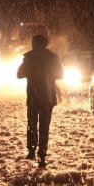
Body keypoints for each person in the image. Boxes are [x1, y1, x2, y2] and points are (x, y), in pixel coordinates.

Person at [17, 34, 63, 168]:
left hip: (33, 97)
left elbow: (19, 74)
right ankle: (41, 153)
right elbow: (60, 74)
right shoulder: (52, 57)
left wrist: (31, 71)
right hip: (47, 98)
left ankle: (32, 150)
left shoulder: (29, 57)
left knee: (32, 124)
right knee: (44, 127)